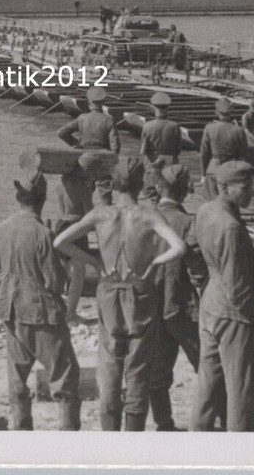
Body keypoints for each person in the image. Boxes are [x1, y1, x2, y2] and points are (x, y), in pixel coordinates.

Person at [54, 158, 187, 431]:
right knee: (138, 364)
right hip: (140, 289)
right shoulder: (149, 214)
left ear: (114, 185)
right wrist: (155, 263)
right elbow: (179, 247)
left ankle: (110, 435)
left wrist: (92, 261)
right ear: (140, 185)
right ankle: (133, 437)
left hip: (109, 288)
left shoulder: (101, 214)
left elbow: (60, 241)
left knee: (110, 362)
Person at [0, 163, 82, 431]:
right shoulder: (43, 234)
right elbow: (54, 282)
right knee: (65, 376)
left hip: (12, 310)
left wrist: (5, 276)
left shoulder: (5, 227)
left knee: (17, 377)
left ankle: (22, 430)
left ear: (18, 197)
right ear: (43, 199)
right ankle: (70, 437)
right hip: (41, 313)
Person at [188, 161, 254, 432]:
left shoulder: (206, 210)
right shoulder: (230, 226)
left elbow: (192, 253)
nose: (252, 192)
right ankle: (241, 448)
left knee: (209, 384)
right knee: (243, 390)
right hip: (233, 313)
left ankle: (197, 441)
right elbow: (238, 288)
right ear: (225, 187)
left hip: (211, 305)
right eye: (246, 187)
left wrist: (202, 285)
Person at [150, 164, 202, 431]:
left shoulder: (145, 217)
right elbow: (198, 270)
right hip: (183, 306)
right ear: (186, 193)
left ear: (159, 188)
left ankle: (164, 423)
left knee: (157, 373)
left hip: (153, 305)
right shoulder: (189, 222)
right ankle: (220, 422)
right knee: (206, 366)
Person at [47, 151, 103, 325]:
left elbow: (72, 204)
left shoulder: (62, 182)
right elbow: (89, 213)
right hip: (76, 230)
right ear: (86, 169)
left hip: (61, 225)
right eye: (93, 171)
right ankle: (71, 314)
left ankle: (57, 309)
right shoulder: (82, 187)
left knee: (63, 270)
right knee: (79, 272)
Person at [57, 86, 121, 154]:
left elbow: (61, 132)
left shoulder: (82, 118)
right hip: (102, 155)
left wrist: (77, 144)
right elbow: (115, 146)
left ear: (89, 103)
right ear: (103, 102)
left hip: (83, 154)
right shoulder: (109, 120)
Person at [199, 97, 250, 179]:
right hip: (231, 171)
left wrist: (203, 175)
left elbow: (204, 153)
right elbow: (244, 155)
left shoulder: (209, 128)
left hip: (213, 170)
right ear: (232, 112)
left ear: (216, 112)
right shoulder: (239, 130)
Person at [140, 92, 182, 167]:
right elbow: (178, 149)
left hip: (152, 165)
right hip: (170, 165)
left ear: (153, 107)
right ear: (168, 108)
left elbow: (143, 150)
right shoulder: (175, 126)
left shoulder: (147, 126)